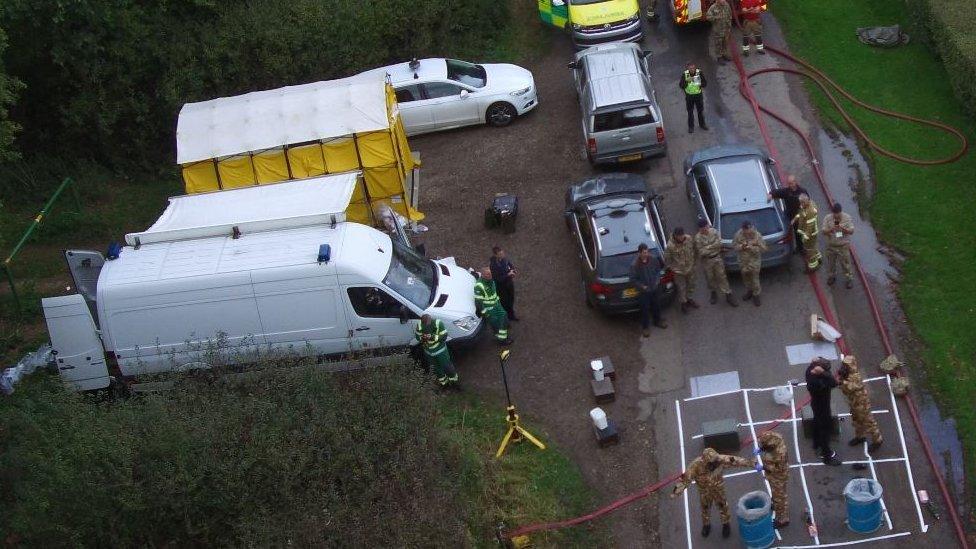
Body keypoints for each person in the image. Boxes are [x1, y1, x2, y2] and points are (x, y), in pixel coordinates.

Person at [671, 448, 756, 538]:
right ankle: (706, 525)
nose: (715, 464)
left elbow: (736, 460)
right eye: (711, 463)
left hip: (718, 489)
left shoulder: (720, 460)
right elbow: (685, 480)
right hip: (704, 492)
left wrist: (752, 463)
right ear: (705, 461)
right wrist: (676, 492)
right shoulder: (695, 466)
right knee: (705, 509)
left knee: (723, 506)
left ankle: (726, 524)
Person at [838, 355, 884, 451]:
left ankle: (877, 440)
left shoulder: (855, 376)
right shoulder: (848, 375)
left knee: (868, 422)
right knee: (857, 420)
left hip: (862, 403)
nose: (844, 367)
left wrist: (842, 382)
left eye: (847, 365)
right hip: (854, 402)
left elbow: (849, 388)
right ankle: (860, 436)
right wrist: (842, 380)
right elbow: (845, 391)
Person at [806, 358, 842, 466]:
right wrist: (824, 373)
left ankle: (816, 443)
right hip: (823, 406)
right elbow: (834, 383)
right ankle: (826, 455)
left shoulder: (809, 372)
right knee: (824, 430)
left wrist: (817, 365)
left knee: (817, 423)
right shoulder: (818, 382)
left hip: (816, 405)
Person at [694, 219, 737, 306]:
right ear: (699, 229)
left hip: (717, 258)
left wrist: (708, 247)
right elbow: (701, 251)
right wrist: (713, 247)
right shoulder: (698, 238)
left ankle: (728, 294)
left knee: (722, 276)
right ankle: (713, 292)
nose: (704, 230)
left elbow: (719, 243)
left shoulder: (714, 232)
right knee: (710, 278)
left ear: (707, 226)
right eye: (701, 229)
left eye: (705, 227)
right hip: (707, 260)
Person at [630, 243, 668, 337]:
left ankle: (658, 321)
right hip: (644, 292)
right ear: (639, 253)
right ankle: (645, 327)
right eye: (644, 252)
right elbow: (633, 279)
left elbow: (658, 271)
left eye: (647, 252)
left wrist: (657, 281)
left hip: (654, 288)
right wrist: (642, 286)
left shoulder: (653, 259)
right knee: (645, 309)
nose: (646, 254)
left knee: (656, 306)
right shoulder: (635, 265)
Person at [767, 174, 808, 255]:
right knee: (791, 233)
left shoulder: (802, 191)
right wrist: (771, 194)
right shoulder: (786, 191)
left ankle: (801, 248)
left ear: (795, 182)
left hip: (800, 216)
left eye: (791, 183)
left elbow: (808, 202)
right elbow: (777, 192)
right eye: (788, 183)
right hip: (790, 215)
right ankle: (794, 247)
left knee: (800, 233)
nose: (790, 185)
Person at [415, 314, 458, 388]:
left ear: (431, 320)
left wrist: (432, 337)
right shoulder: (420, 325)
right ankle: (444, 384)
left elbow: (444, 337)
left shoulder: (438, 323)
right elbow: (417, 337)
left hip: (441, 351)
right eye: (424, 323)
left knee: (448, 367)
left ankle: (454, 383)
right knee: (437, 369)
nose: (426, 326)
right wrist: (423, 338)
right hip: (429, 352)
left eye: (427, 324)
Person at [757, 431, 790, 528]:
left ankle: (782, 519)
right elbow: (768, 446)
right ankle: (775, 503)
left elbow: (778, 469)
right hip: (773, 476)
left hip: (778, 476)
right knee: (776, 494)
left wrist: (763, 467)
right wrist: (761, 449)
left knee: (780, 497)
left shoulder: (780, 453)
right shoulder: (773, 438)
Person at [664, 227, 699, 313]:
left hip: (690, 268)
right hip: (679, 271)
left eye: (682, 235)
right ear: (675, 236)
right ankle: (683, 303)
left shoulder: (689, 239)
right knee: (681, 287)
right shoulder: (670, 245)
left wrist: (695, 262)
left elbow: (695, 249)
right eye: (679, 236)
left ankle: (689, 298)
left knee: (691, 284)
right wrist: (672, 268)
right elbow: (667, 259)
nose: (681, 237)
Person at [732, 220, 767, 306]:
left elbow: (764, 249)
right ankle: (749, 291)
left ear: (751, 228)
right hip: (743, 261)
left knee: (754, 279)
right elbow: (734, 246)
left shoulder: (757, 235)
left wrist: (751, 247)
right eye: (744, 230)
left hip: (754, 261)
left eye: (748, 229)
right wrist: (742, 246)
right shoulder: (738, 234)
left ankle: (756, 295)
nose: (746, 232)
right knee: (746, 278)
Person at [474, 268, 512, 345]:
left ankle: (502, 337)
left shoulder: (491, 281)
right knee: (496, 324)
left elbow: (494, 294)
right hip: (490, 310)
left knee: (503, 318)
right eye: (488, 274)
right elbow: (478, 302)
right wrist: (485, 313)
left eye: (491, 274)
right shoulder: (479, 286)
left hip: (497, 306)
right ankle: (502, 340)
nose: (490, 276)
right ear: (483, 275)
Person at [822, 202, 854, 289]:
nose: (836, 216)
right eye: (834, 214)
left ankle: (849, 278)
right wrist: (831, 230)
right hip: (831, 245)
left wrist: (842, 228)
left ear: (841, 212)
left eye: (838, 215)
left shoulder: (847, 218)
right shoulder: (828, 218)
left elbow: (851, 231)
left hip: (842, 246)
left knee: (845, 264)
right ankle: (832, 276)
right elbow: (824, 231)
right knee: (831, 263)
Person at [793, 194, 822, 273]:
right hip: (808, 232)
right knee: (812, 246)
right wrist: (796, 218)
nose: (801, 205)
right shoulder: (806, 205)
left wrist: (805, 237)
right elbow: (802, 214)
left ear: (807, 201)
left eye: (802, 203)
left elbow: (810, 226)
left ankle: (813, 266)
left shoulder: (810, 211)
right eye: (800, 202)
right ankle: (819, 257)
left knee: (809, 251)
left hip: (810, 234)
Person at [489, 246, 519, 320]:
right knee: (505, 303)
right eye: (500, 254)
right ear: (495, 255)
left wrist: (513, 270)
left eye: (502, 253)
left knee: (511, 299)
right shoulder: (493, 265)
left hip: (509, 283)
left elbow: (509, 264)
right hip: (501, 287)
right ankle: (505, 319)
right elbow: (497, 278)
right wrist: (508, 275)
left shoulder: (504, 259)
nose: (502, 255)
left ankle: (511, 316)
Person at [679, 62, 708, 133]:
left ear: (695, 68)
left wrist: (699, 83)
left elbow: (705, 84)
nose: (692, 70)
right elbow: (681, 85)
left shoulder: (699, 73)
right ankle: (691, 127)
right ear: (688, 69)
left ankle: (702, 124)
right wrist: (687, 82)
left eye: (693, 68)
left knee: (700, 111)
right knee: (690, 112)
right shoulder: (685, 74)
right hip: (689, 97)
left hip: (698, 96)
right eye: (690, 68)